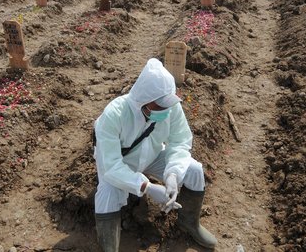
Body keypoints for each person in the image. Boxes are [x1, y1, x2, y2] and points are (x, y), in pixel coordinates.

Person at [93, 58, 217, 251]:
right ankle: (109, 247)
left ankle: (190, 223)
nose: (166, 110)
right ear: (144, 101)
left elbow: (180, 141)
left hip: (152, 155)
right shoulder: (114, 115)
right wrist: (147, 187)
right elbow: (110, 166)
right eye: (160, 105)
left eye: (168, 104)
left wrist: (173, 174)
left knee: (193, 170)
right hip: (121, 164)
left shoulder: (171, 108)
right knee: (107, 193)